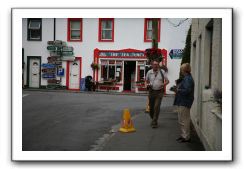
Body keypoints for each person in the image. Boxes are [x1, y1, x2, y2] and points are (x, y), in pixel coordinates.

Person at [174, 63, 195, 143]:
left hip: (184, 101)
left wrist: (178, 90)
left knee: (184, 120)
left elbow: (187, 90)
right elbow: (186, 89)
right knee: (182, 119)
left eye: (181, 69)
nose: (181, 70)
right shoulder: (187, 78)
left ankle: (186, 137)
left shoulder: (188, 79)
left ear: (184, 70)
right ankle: (184, 135)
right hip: (183, 101)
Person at [145, 60, 169, 128]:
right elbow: (146, 81)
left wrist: (163, 84)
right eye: (154, 64)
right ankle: (153, 118)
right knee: (151, 108)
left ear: (158, 65)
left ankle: (154, 122)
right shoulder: (149, 72)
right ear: (152, 65)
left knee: (156, 107)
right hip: (151, 91)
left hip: (159, 92)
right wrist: (147, 85)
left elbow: (167, 81)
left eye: (157, 64)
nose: (155, 65)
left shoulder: (162, 72)